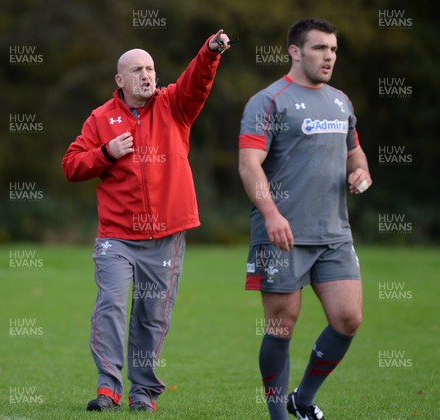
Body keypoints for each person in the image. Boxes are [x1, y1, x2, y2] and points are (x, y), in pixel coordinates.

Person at [62, 30, 232, 412]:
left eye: (151, 68)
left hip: (166, 235)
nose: (146, 75)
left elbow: (196, 80)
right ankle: (108, 389)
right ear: (119, 80)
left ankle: (142, 393)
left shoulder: (174, 105)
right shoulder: (100, 119)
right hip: (117, 236)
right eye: (137, 69)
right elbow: (70, 165)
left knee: (151, 317)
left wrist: (210, 52)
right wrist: (106, 152)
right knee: (111, 305)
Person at [238, 18, 372, 420]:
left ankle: (303, 397)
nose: (329, 56)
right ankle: (278, 415)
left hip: (334, 233)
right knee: (282, 324)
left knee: (348, 318)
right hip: (281, 234)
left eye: (333, 49)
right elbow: (249, 165)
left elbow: (354, 151)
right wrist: (271, 213)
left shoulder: (340, 101)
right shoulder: (268, 101)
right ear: (295, 51)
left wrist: (360, 170)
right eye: (319, 48)